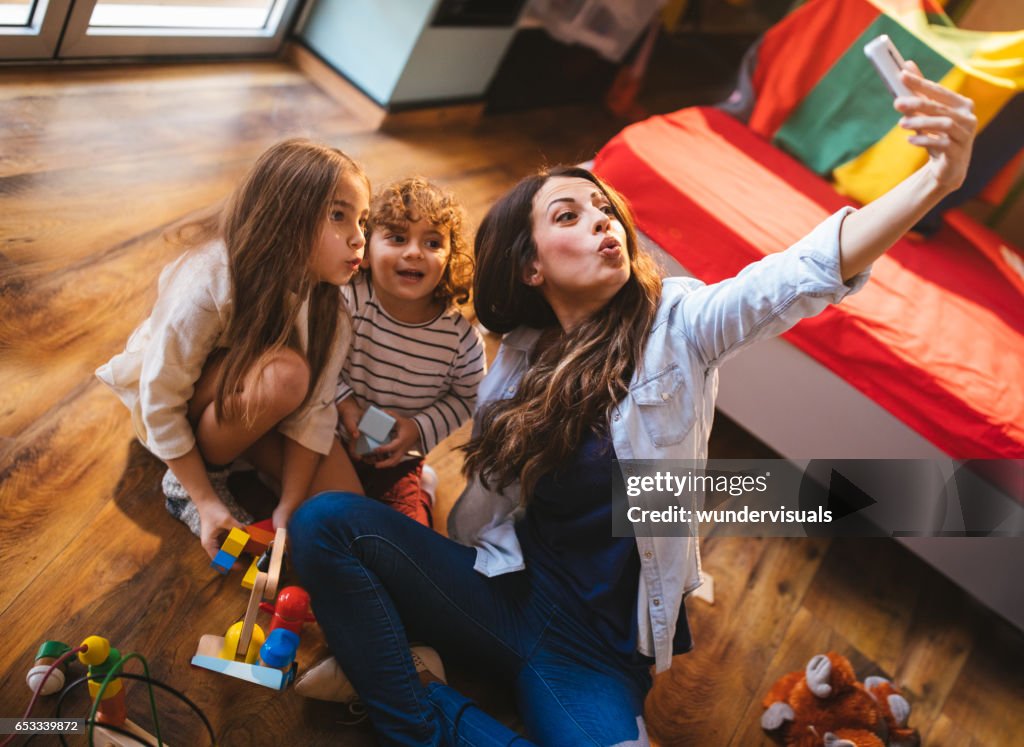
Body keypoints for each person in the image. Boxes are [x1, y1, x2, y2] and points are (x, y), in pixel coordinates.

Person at [288, 66, 977, 745]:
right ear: (531, 266)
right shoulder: (521, 355)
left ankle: (419, 705)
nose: (603, 222)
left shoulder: (680, 324)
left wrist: (934, 179)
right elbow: (486, 490)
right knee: (326, 525)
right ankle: (415, 703)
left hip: (596, 648)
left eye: (606, 210)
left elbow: (797, 276)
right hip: (502, 591)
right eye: (570, 214)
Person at [96, 138, 368, 560]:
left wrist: (287, 508)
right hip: (186, 408)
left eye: (363, 222)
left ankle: (241, 456)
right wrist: (205, 501)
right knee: (287, 375)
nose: (358, 239)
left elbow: (315, 412)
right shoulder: (209, 280)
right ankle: (191, 479)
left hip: (259, 406)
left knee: (351, 507)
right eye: (339, 216)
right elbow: (161, 398)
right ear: (286, 214)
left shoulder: (335, 313)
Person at [335, 176, 485, 527]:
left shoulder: (460, 341)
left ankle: (425, 490)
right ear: (367, 251)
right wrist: (343, 401)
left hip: (399, 456)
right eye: (398, 238)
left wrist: (417, 429)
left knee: (406, 532)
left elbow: (468, 398)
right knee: (322, 510)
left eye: (432, 242)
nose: (415, 251)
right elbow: (317, 359)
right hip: (331, 435)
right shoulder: (349, 299)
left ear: (449, 260)